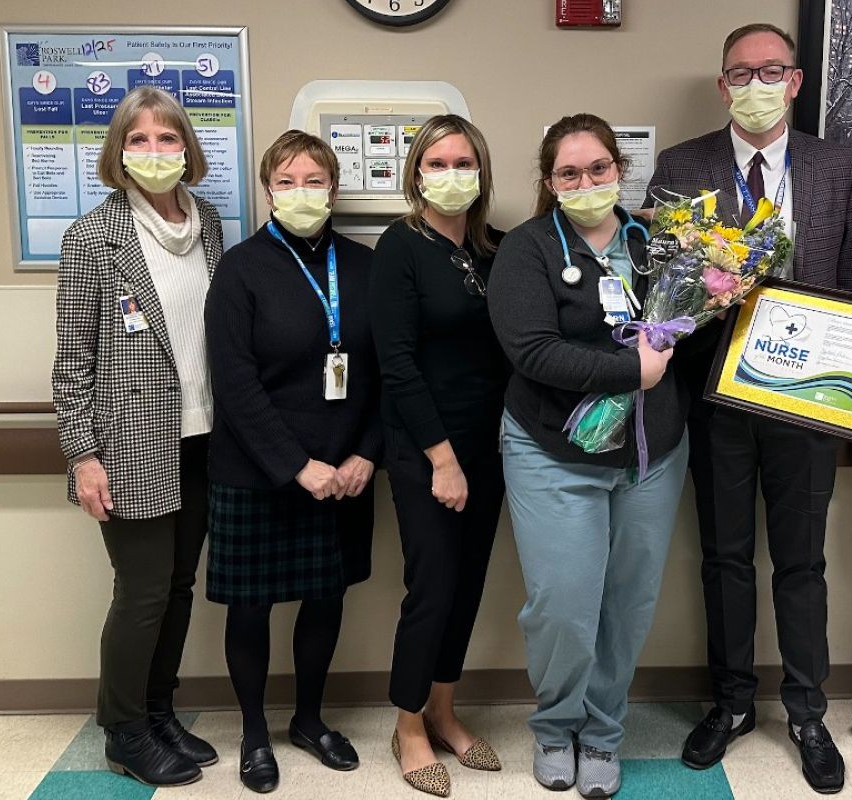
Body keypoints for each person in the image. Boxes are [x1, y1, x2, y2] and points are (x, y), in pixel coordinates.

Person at [644, 22, 852, 794]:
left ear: (796, 81)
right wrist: (715, 292)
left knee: (803, 562)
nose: (757, 84)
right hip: (717, 398)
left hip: (807, 401)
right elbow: (660, 289)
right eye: (742, 72)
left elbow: (845, 283)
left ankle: (806, 712)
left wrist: (849, 403)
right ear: (722, 85)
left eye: (772, 70)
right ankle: (732, 703)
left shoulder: (836, 163)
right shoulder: (682, 165)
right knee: (725, 558)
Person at [487, 113, 689, 799]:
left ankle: (602, 733)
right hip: (554, 451)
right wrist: (632, 371)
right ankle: (555, 726)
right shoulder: (527, 249)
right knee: (564, 605)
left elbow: (689, 321)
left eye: (598, 169)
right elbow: (533, 351)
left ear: (618, 170)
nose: (586, 182)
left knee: (630, 602)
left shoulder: (660, 242)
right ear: (549, 182)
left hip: (649, 453)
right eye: (569, 173)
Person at [51, 85, 222, 787]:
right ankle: (123, 730)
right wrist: (83, 456)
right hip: (128, 445)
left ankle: (158, 710)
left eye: (168, 138)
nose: (155, 152)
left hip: (204, 436)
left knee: (179, 585)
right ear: (119, 153)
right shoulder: (92, 236)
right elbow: (73, 362)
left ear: (189, 149)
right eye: (140, 140)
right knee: (143, 590)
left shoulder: (208, 223)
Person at [204, 131, 382, 794]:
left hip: (346, 472)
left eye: (314, 180)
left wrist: (368, 451)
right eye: (286, 181)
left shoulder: (364, 269)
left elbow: (388, 373)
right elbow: (236, 381)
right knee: (249, 607)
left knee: (325, 598)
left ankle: (309, 719)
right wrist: (294, 464)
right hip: (258, 472)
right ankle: (254, 732)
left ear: (334, 188)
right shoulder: (241, 268)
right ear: (267, 190)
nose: (301, 192)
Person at [369, 114, 507, 797]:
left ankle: (445, 710)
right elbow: (395, 363)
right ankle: (408, 723)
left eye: (464, 162)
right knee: (432, 587)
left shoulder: (495, 248)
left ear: (482, 173)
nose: (452, 175)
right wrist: (442, 460)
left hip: (493, 445)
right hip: (427, 448)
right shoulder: (400, 247)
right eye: (438, 162)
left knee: (470, 582)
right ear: (416, 172)